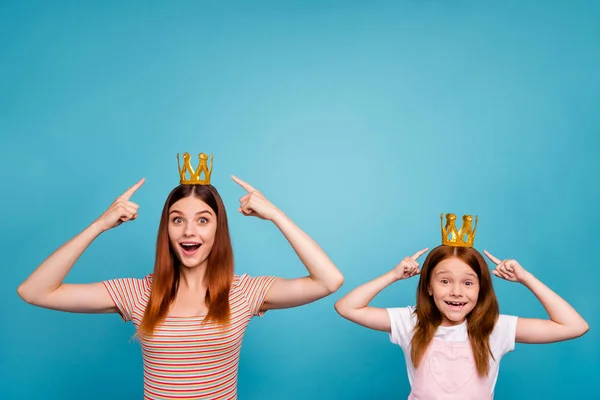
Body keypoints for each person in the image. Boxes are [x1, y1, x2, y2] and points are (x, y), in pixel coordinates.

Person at [17, 152, 344, 400]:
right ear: (166, 229)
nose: (189, 230)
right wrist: (98, 225)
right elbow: (35, 291)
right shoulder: (137, 293)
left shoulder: (244, 292)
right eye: (177, 220)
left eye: (203, 220)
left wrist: (275, 215)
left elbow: (328, 280)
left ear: (218, 228)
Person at [334, 213, 589, 399]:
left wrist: (526, 278)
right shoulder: (411, 322)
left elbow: (574, 326)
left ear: (481, 289)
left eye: (468, 282)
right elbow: (347, 307)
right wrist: (392, 275)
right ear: (429, 287)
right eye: (445, 281)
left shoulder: (495, 328)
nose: (456, 291)